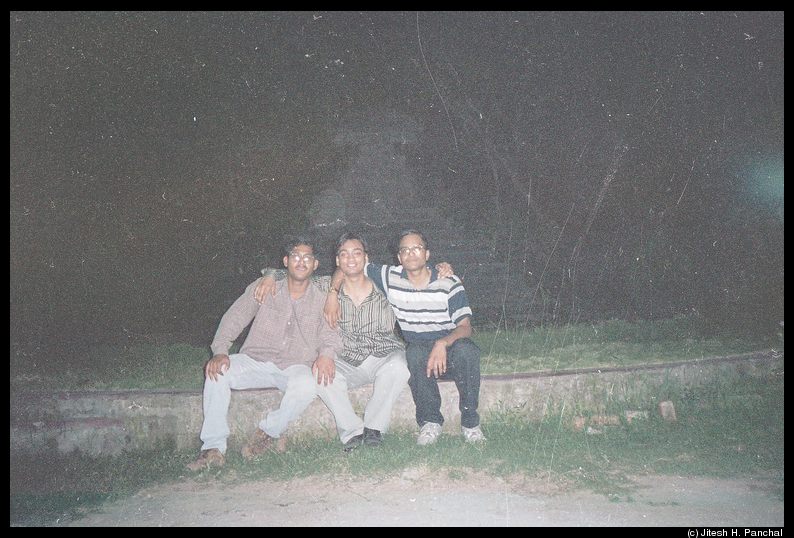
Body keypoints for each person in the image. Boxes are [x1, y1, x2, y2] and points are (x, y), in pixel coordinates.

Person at [186, 235, 343, 471]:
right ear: (286, 261)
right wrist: (220, 350)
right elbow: (235, 317)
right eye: (295, 256)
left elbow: (330, 332)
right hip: (255, 360)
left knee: (309, 383)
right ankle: (213, 448)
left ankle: (267, 433)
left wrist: (327, 354)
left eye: (307, 257)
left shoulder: (322, 298)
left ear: (315, 264)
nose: (301, 261)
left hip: (295, 365)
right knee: (217, 372)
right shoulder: (265, 287)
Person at [254, 231, 414, 451]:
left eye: (357, 253)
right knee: (319, 373)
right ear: (337, 260)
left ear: (366, 257)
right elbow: (293, 273)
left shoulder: (384, 285)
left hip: (383, 354)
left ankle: (374, 428)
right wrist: (270, 275)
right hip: (346, 359)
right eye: (344, 254)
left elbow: (418, 274)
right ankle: (352, 431)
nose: (351, 259)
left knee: (400, 366)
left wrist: (444, 270)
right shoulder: (324, 286)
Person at [325, 229, 485, 446]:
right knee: (414, 353)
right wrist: (333, 293)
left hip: (451, 347)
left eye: (417, 248)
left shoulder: (449, 282)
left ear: (427, 254)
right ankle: (430, 422)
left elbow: (465, 327)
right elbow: (348, 265)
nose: (411, 253)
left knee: (467, 350)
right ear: (399, 257)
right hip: (421, 351)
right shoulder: (390, 278)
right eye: (405, 250)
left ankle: (470, 423)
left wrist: (443, 343)